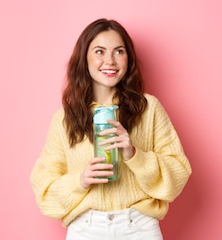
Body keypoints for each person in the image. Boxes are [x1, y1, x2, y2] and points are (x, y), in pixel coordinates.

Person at [30, 18, 192, 240]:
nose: (110, 61)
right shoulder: (64, 119)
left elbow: (178, 172)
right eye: (99, 51)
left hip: (139, 227)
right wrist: (81, 180)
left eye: (119, 51)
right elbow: (44, 191)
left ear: (128, 58)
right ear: (84, 58)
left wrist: (135, 155)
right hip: (85, 228)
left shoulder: (148, 108)